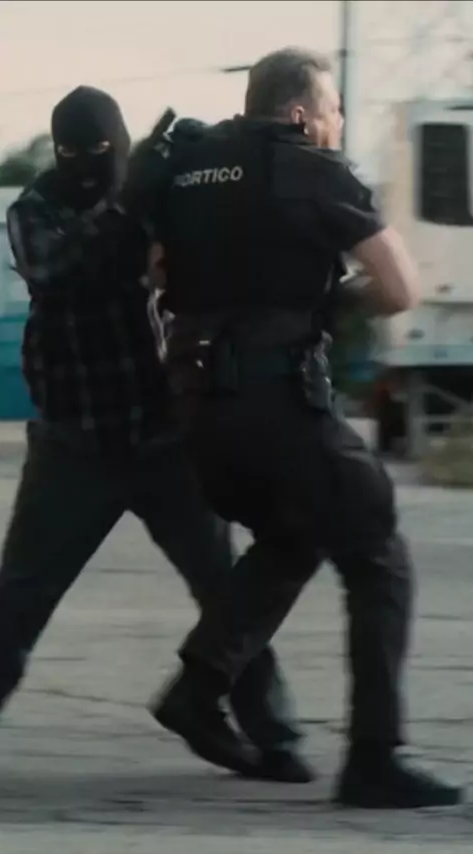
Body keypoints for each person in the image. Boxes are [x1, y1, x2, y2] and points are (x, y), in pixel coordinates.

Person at [147, 48, 462, 808]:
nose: (338, 123)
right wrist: (330, 299)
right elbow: (400, 289)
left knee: (293, 536)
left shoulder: (186, 167)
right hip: (277, 405)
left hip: (197, 411)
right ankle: (375, 758)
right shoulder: (313, 170)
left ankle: (199, 688)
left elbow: (157, 272)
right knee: (378, 551)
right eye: (333, 110)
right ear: (299, 113)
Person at [0, 85, 314, 785]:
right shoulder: (35, 210)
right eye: (72, 152)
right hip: (75, 444)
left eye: (99, 152)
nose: (86, 165)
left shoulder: (150, 195)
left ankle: (272, 734)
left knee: (225, 592)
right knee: (17, 600)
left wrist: (202, 160)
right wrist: (133, 195)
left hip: (165, 437)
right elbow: (63, 272)